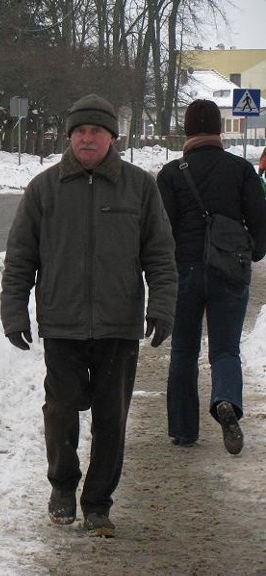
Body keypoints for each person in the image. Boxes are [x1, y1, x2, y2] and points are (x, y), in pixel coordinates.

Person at [0, 94, 177, 537]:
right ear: (69, 138)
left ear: (112, 138)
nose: (86, 138)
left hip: (118, 323)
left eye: (95, 131)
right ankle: (62, 486)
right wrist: (14, 312)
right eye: (79, 131)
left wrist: (161, 306)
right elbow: (21, 257)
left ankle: (98, 502)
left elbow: (159, 254)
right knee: (60, 409)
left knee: (111, 416)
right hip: (62, 321)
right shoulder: (44, 189)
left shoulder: (140, 187)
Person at [157, 99, 266, 454]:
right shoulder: (241, 170)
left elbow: (162, 230)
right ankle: (226, 402)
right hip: (230, 269)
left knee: (184, 350)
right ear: (219, 129)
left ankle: (184, 430)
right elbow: (261, 220)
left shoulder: (172, 173)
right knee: (225, 349)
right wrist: (255, 252)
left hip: (184, 269)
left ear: (187, 130)